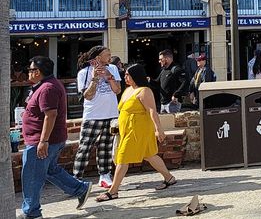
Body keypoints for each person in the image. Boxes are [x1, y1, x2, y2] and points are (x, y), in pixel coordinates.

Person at [20, 56, 92, 218]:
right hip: (47, 139)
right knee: (50, 170)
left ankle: (31, 212)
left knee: (32, 176)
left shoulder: (48, 88)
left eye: (31, 70)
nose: (29, 73)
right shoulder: (43, 86)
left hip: (43, 140)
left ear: (38, 72)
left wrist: (43, 141)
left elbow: (50, 115)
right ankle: (80, 189)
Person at [95, 64, 176, 202]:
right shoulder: (128, 90)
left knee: (122, 158)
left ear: (135, 75)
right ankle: (169, 178)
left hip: (138, 130)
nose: (125, 77)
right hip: (126, 129)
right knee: (149, 154)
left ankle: (113, 191)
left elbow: (152, 111)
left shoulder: (144, 91)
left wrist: (159, 129)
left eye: (128, 74)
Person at [73, 46, 121, 189]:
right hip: (92, 115)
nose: (110, 57)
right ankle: (76, 178)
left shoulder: (112, 68)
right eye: (108, 55)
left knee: (106, 146)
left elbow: (117, 90)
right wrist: (95, 78)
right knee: (85, 147)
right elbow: (87, 96)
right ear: (98, 57)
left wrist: (108, 76)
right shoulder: (84, 73)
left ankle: (105, 175)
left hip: (111, 114)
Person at [155, 50, 186, 114]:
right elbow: (157, 83)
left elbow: (185, 82)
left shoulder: (176, 69)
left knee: (173, 123)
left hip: (172, 103)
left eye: (161, 59)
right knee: (164, 123)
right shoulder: (163, 71)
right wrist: (148, 80)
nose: (159, 61)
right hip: (163, 103)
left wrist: (176, 94)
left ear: (167, 59)